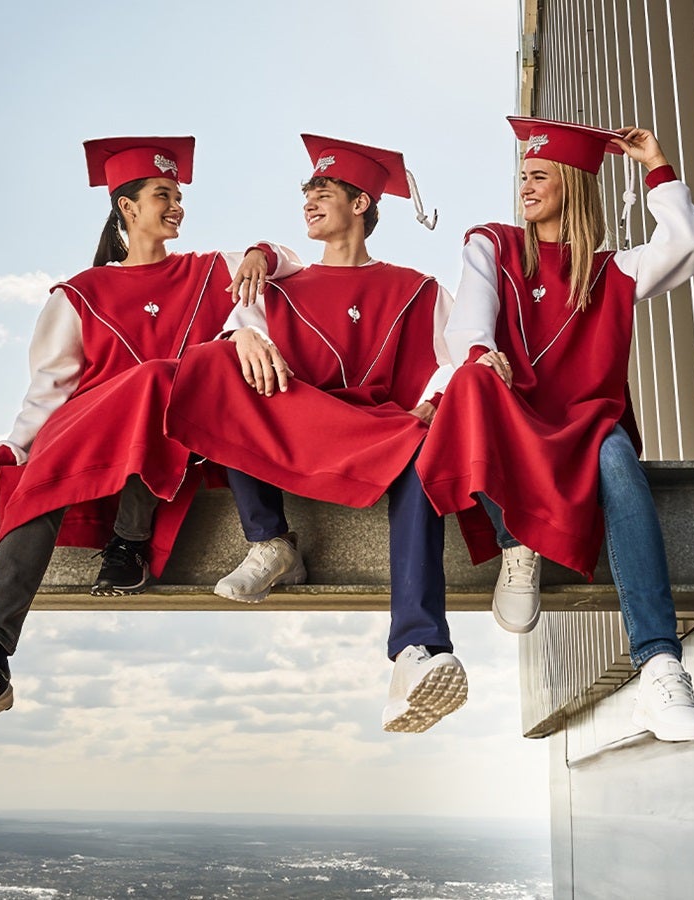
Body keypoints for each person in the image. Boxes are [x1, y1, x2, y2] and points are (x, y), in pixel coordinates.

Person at [0, 136, 296, 735]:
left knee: (162, 377)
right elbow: (50, 389)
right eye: (163, 196)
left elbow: (294, 261)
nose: (177, 207)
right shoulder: (79, 294)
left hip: (175, 441)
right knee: (33, 474)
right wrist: (7, 450)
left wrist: (258, 253)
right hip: (92, 430)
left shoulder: (210, 271)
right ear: (127, 208)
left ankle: (130, 541)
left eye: (179, 196)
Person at [418, 116, 694, 741]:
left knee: (619, 464)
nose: (525, 186)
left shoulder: (613, 271)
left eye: (539, 175)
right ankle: (515, 546)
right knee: (471, 380)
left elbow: (685, 242)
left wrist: (655, 165)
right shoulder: (491, 245)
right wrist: (481, 351)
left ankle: (660, 668)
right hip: (512, 415)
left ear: (574, 184)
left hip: (586, 425)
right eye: (522, 175)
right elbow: (470, 323)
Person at [163, 135, 466, 733]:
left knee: (424, 448)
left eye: (324, 191)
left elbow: (462, 356)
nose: (310, 202)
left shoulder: (418, 288)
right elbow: (235, 341)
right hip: (298, 422)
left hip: (378, 431)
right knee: (214, 363)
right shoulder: (274, 289)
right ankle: (271, 540)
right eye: (306, 193)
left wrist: (433, 402)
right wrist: (242, 335)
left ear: (362, 204)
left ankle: (416, 652)